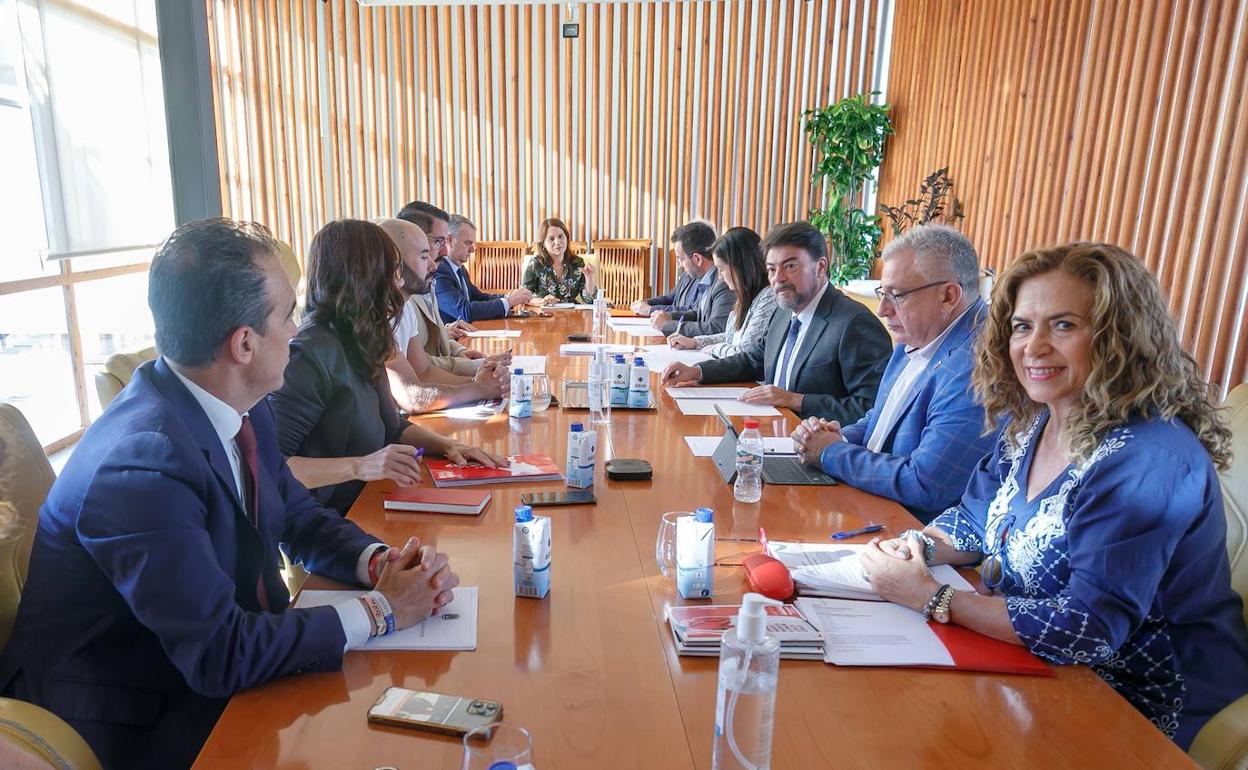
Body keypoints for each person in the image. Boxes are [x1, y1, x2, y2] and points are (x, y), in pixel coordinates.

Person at [0, 219, 462, 769]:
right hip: (139, 716)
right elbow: (219, 653)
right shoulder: (141, 463)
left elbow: (298, 516)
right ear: (244, 343)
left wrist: (381, 561)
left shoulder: (243, 406)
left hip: (221, 671)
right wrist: (382, 611)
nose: (297, 329)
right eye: (287, 314)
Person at [859, 242, 1248, 749]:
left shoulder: (1147, 460)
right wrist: (916, 549)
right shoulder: (1036, 421)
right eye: (1023, 326)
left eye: (1063, 325)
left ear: (1118, 337)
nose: (1034, 346)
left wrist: (932, 597)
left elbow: (1088, 628)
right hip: (1030, 666)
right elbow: (976, 518)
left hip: (1135, 704)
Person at [268, 219, 505, 515]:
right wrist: (361, 465)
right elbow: (268, 469)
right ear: (365, 275)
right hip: (331, 522)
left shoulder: (364, 335)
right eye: (392, 271)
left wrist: (447, 445)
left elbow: (392, 427)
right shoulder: (311, 354)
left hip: (376, 498)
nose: (399, 282)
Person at [791, 225, 993, 523]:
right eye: (882, 294)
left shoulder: (977, 367)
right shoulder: (914, 337)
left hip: (913, 535)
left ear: (948, 296)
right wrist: (836, 436)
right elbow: (880, 419)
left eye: (896, 295)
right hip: (870, 506)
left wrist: (830, 453)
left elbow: (924, 483)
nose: (883, 310)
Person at [662, 221, 891, 422]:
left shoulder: (854, 323)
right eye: (772, 269)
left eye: (790, 266)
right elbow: (754, 360)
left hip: (816, 448)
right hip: (771, 430)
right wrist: (697, 372)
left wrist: (796, 400)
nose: (778, 278)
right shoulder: (784, 312)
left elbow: (871, 409)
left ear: (820, 267)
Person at [376, 218, 509, 413]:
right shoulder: (377, 318)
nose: (434, 266)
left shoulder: (404, 309)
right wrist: (480, 388)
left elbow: (424, 372)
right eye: (424, 257)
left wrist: (480, 382)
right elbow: (412, 397)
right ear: (395, 264)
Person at [396, 201, 485, 375]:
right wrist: (477, 370)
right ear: (414, 238)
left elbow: (436, 335)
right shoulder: (402, 294)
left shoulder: (428, 278)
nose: (445, 251)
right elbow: (418, 363)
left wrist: (460, 351)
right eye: (438, 242)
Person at [667, 226, 777, 359]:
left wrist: (712, 348)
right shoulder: (746, 296)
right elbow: (730, 337)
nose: (719, 277)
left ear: (740, 267)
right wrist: (696, 342)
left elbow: (743, 352)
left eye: (721, 269)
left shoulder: (768, 297)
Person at [433, 214, 532, 322]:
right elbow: (464, 311)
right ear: (450, 240)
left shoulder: (459, 268)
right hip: (454, 338)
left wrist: (509, 296)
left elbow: (478, 297)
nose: (472, 250)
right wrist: (508, 302)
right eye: (467, 243)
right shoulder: (439, 270)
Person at [649, 221, 734, 336]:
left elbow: (717, 327)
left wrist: (668, 325)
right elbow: (698, 313)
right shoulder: (707, 278)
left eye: (681, 259)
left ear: (697, 259)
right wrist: (670, 316)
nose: (680, 265)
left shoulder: (723, 283)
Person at [522, 217, 597, 304]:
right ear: (543, 244)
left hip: (572, 314)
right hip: (545, 314)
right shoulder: (535, 264)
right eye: (551, 239)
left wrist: (589, 278)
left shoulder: (577, 262)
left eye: (561, 237)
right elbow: (523, 297)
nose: (557, 242)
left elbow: (589, 300)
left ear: (567, 239)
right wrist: (542, 301)